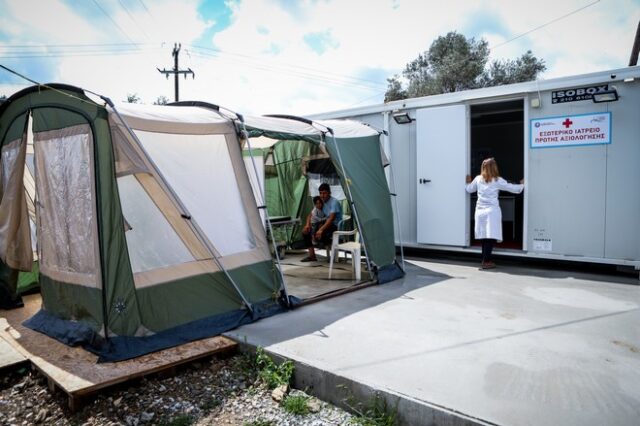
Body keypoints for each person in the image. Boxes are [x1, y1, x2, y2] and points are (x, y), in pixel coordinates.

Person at [466, 158, 524, 270]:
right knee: (490, 237)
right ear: (494, 167)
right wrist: (522, 185)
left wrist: (468, 182)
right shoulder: (497, 180)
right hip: (491, 212)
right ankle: (486, 261)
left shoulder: (478, 179)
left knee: (484, 237)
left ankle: (484, 259)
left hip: (480, 212)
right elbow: (512, 188)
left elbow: (469, 189)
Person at [301, 183, 343, 262]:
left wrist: (321, 230)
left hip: (334, 225)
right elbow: (310, 215)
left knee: (322, 233)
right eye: (320, 193)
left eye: (324, 193)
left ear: (329, 193)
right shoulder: (321, 202)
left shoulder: (334, 202)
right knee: (305, 232)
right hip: (323, 223)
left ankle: (333, 255)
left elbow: (331, 218)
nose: (322, 195)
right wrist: (307, 225)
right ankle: (312, 256)